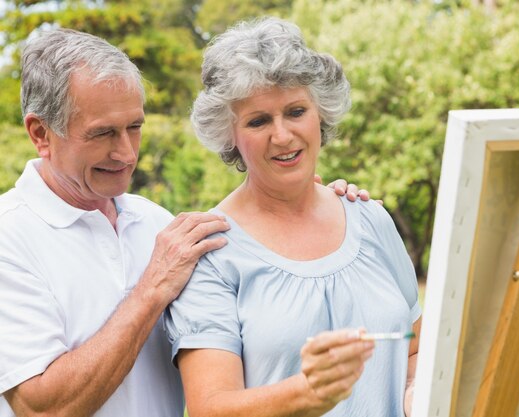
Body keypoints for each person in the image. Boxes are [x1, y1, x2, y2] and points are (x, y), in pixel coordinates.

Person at [0, 28, 368, 417]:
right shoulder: (10, 237)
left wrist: (311, 202)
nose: (126, 153)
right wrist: (152, 289)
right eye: (103, 133)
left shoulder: (155, 222)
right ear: (41, 133)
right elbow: (43, 408)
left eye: (135, 127)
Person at [165, 17, 422, 417]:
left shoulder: (370, 217)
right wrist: (307, 393)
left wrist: (413, 394)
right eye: (258, 120)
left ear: (321, 114)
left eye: (296, 111)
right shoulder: (211, 251)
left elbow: (415, 346)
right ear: (229, 132)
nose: (282, 136)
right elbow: (209, 409)